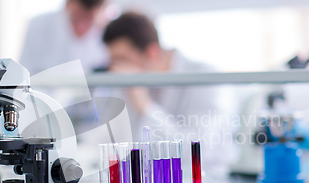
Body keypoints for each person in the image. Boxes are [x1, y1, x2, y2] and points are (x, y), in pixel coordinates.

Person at [100, 12, 236, 174]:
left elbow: (198, 152)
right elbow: (114, 144)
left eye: (122, 59)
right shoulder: (129, 84)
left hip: (206, 182)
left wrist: (144, 105)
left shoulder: (207, 78)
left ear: (151, 53)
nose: (116, 69)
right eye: (113, 61)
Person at [20, 0, 110, 76]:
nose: (81, 26)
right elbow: (24, 73)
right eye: (77, 18)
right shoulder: (39, 25)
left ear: (103, 9)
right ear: (67, 2)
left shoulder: (109, 36)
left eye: (89, 20)